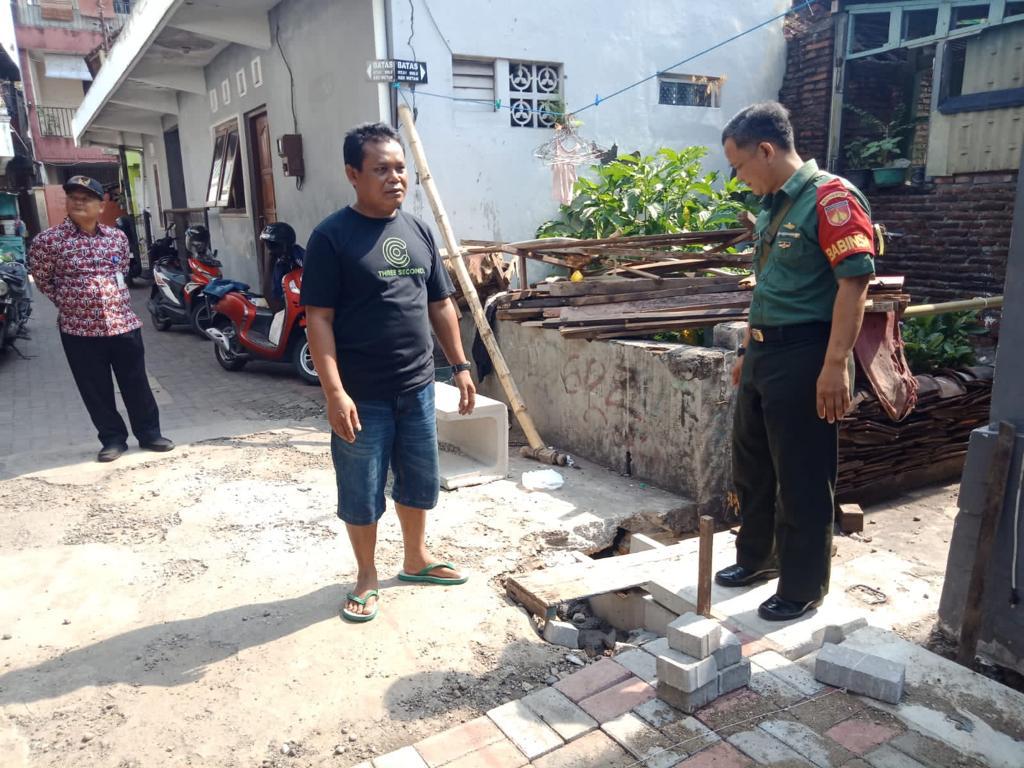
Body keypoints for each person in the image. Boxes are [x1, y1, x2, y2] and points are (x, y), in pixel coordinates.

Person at [302, 122, 476, 623]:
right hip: (363, 394)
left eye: (400, 168)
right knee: (361, 490)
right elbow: (320, 319)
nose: (395, 178)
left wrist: (460, 365)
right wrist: (333, 391)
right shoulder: (331, 238)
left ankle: (416, 559)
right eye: (381, 169)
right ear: (353, 174)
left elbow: (441, 304)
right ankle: (366, 576)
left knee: (420, 480)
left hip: (418, 386)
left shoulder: (418, 230)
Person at [715, 102, 876, 621]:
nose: (739, 178)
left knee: (803, 473)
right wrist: (747, 350)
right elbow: (770, 286)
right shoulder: (773, 206)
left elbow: (854, 284)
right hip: (764, 353)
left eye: (739, 166)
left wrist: (835, 364)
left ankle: (803, 585)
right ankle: (758, 558)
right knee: (753, 464)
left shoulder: (831, 198)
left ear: (766, 150)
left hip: (807, 353)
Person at [29, 175, 174, 463]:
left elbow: (121, 270)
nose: (79, 202)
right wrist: (74, 303)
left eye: (86, 198)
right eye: (73, 197)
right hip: (78, 330)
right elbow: (43, 280)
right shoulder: (48, 241)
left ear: (100, 205)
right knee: (95, 389)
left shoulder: (117, 238)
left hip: (123, 324)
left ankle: (149, 434)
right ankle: (112, 439)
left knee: (137, 383)